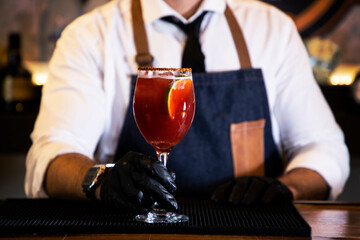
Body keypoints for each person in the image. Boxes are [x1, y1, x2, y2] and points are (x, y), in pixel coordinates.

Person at [25, 0, 349, 212]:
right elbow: (51, 153)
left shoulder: (272, 29)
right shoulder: (89, 35)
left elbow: (324, 148)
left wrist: (287, 188)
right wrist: (99, 180)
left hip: (251, 231)